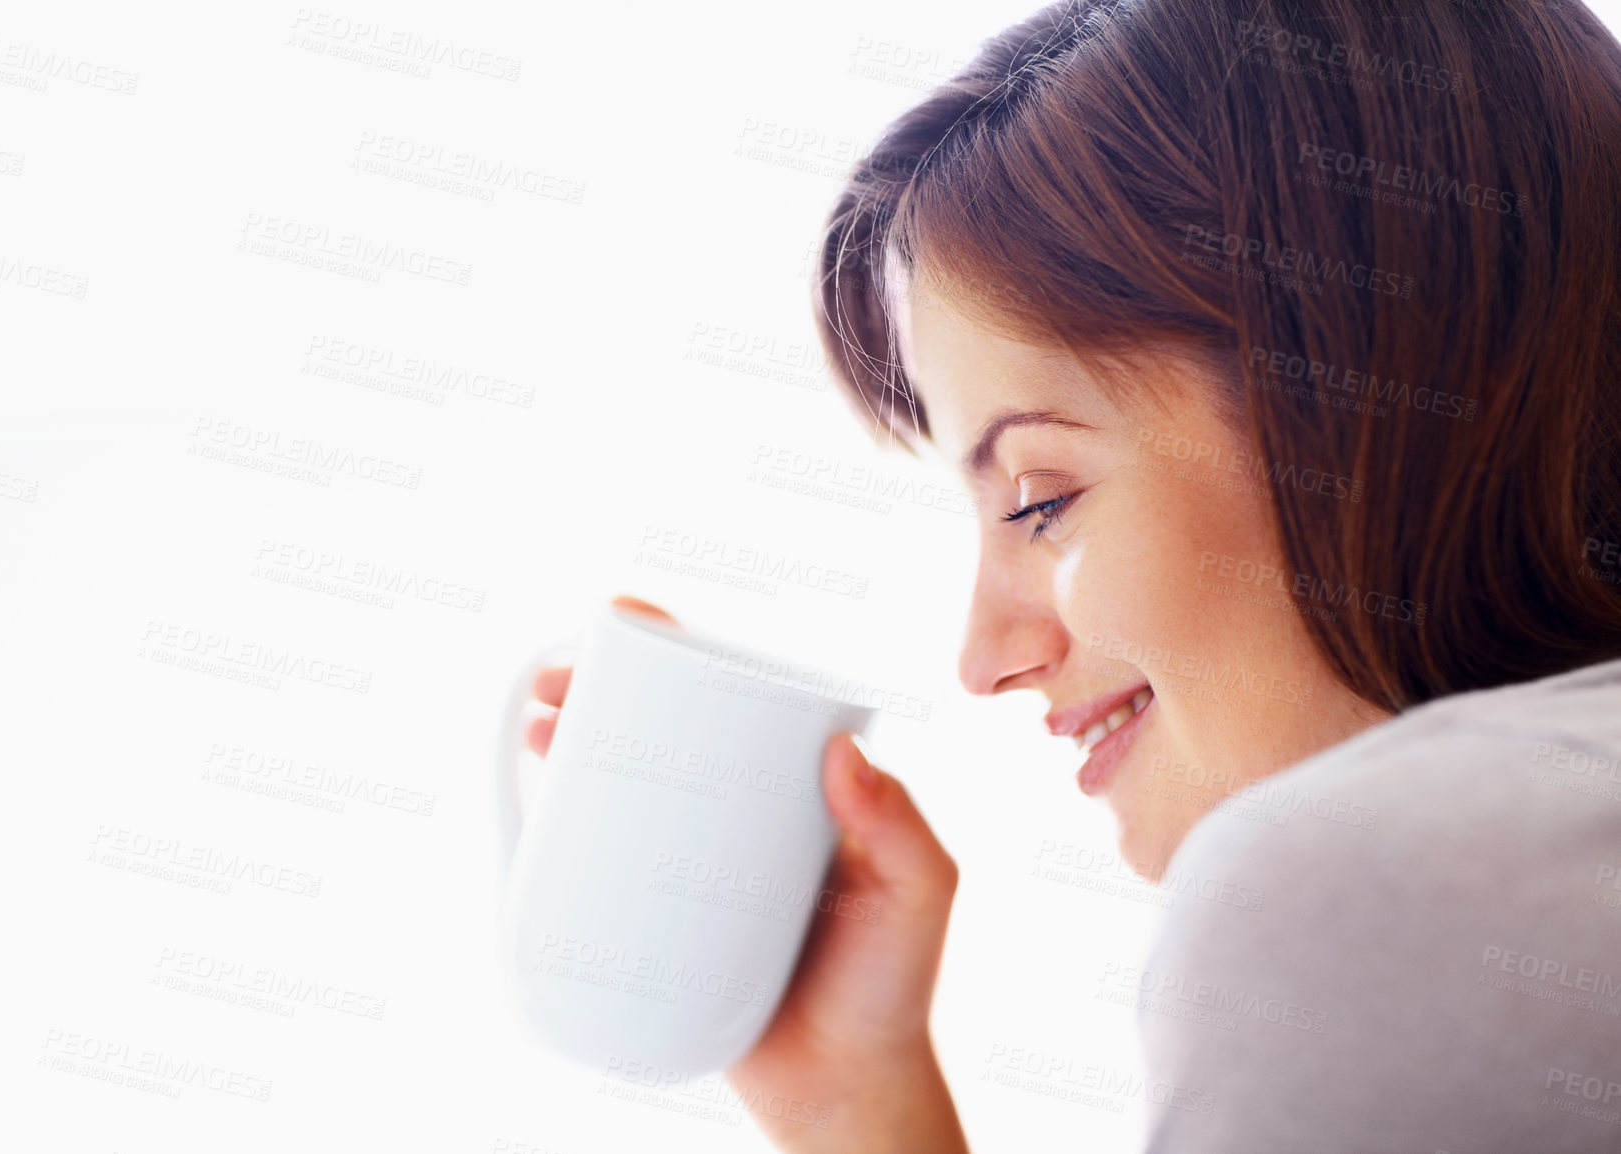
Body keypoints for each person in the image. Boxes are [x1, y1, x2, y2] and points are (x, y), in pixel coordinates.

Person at [523, 0, 1621, 1148]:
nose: (985, 657)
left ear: (1357, 400)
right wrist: (854, 1098)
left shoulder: (1366, 895)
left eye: (1043, 498)